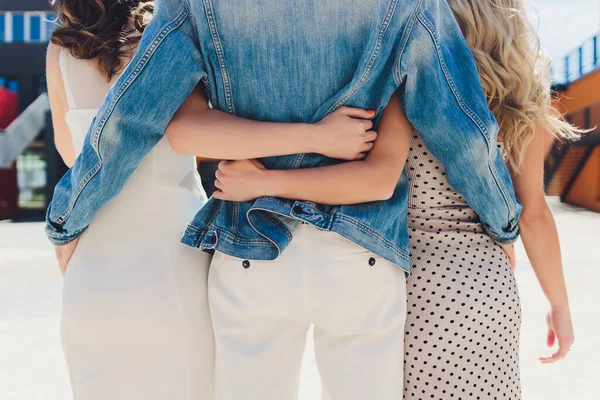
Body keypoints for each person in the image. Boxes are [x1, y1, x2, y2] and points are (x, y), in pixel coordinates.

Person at [45, 0, 523, 399]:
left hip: (252, 249)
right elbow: (465, 131)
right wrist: (502, 221)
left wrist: (67, 220)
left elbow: (127, 124)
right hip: (360, 252)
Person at [210, 0, 579, 399]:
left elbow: (375, 179)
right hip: (488, 286)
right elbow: (534, 216)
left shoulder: (410, 84)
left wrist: (266, 181)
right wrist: (559, 305)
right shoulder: (523, 101)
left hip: (414, 284)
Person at [46, 2, 217, 399]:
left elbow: (72, 156)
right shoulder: (172, 38)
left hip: (95, 264)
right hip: (178, 255)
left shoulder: (60, 53)